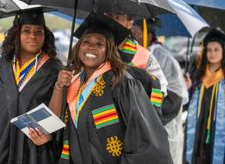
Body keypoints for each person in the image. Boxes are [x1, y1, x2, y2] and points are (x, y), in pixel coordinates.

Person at [49, 12, 172, 164]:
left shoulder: (122, 84)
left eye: (99, 44)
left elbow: (145, 139)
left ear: (109, 50)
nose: (91, 47)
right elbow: (61, 131)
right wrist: (59, 86)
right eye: (86, 42)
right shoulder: (74, 83)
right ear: (79, 46)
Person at [0, 7, 61, 164]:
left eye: (39, 31)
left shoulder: (55, 72)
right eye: (26, 31)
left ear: (45, 36)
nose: (33, 36)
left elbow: (63, 115)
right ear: (16, 35)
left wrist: (51, 135)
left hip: (36, 153)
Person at [132, 18, 189, 164]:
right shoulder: (133, 53)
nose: (133, 36)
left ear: (149, 35)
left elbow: (174, 97)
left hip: (162, 126)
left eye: (137, 33)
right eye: (131, 32)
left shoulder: (160, 56)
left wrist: (149, 119)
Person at [184, 28, 225, 164]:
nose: (212, 53)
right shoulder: (197, 74)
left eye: (216, 49)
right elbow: (186, 104)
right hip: (197, 129)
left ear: (223, 51)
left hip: (218, 131)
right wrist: (187, 89)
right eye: (209, 49)